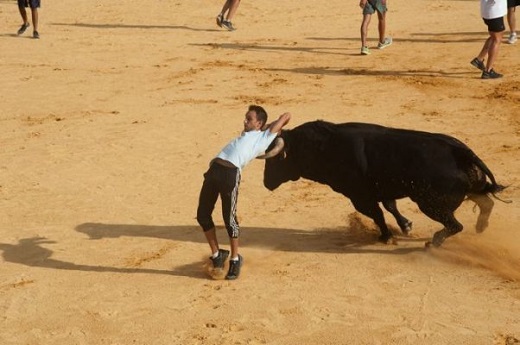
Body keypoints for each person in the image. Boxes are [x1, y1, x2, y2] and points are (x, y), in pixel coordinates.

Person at [196, 106, 291, 280]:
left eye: (249, 119)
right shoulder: (249, 134)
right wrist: (261, 126)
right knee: (202, 215)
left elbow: (286, 116)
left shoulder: (264, 137)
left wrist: (268, 128)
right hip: (214, 170)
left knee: (229, 219)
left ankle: (235, 258)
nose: (244, 121)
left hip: (230, 174)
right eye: (245, 118)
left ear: (259, 123)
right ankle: (218, 255)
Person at [470, 0, 507, 79]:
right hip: (494, 12)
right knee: (497, 39)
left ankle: (479, 59)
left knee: (495, 36)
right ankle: (488, 70)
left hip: (488, 11)